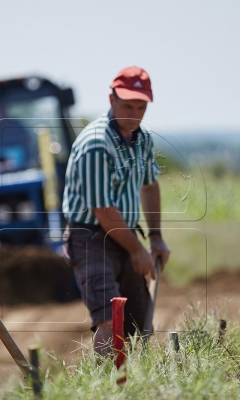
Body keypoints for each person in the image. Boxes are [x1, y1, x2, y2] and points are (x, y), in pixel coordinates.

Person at [62, 66, 171, 356]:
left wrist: (156, 237)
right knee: (110, 323)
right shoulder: (96, 144)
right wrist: (138, 250)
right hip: (91, 240)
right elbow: (103, 209)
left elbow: (149, 186)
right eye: (127, 105)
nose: (134, 113)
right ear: (111, 100)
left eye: (141, 107)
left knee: (140, 324)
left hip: (125, 236)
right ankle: (107, 391)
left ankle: (135, 389)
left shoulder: (143, 140)